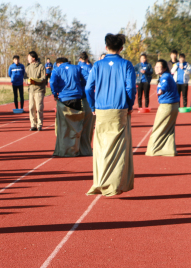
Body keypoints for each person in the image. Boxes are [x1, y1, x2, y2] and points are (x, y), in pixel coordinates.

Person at [85, 33, 136, 197]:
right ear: (121, 48)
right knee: (119, 149)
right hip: (119, 109)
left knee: (101, 147)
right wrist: (130, 105)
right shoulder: (126, 65)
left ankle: (100, 181)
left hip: (101, 109)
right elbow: (130, 88)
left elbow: (88, 88)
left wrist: (92, 105)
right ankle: (114, 184)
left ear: (106, 47)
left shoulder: (98, 65)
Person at [49, 57, 85, 157]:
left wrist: (55, 93)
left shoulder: (57, 69)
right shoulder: (77, 68)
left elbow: (52, 82)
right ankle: (75, 150)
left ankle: (63, 151)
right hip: (76, 98)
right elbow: (87, 77)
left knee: (63, 126)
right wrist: (80, 86)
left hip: (63, 99)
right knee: (76, 125)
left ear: (58, 63)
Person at [145, 60, 180, 157]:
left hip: (167, 106)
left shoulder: (165, 77)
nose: (156, 68)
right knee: (168, 129)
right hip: (173, 105)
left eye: (158, 66)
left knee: (158, 127)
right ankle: (168, 150)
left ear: (164, 68)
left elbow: (164, 85)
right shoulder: (166, 76)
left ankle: (153, 150)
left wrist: (161, 91)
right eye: (155, 66)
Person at [78, 51, 95, 156]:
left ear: (80, 59)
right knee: (88, 125)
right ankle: (86, 148)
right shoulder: (91, 68)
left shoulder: (76, 67)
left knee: (78, 124)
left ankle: (78, 147)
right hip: (88, 97)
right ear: (87, 59)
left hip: (78, 97)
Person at [26, 51, 47, 131]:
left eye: (29, 57)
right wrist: (27, 81)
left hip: (39, 90)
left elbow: (43, 78)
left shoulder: (41, 66)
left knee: (39, 108)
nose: (28, 59)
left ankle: (39, 124)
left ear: (33, 58)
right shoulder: (28, 67)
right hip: (31, 90)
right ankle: (33, 125)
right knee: (31, 107)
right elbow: (25, 77)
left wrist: (35, 81)